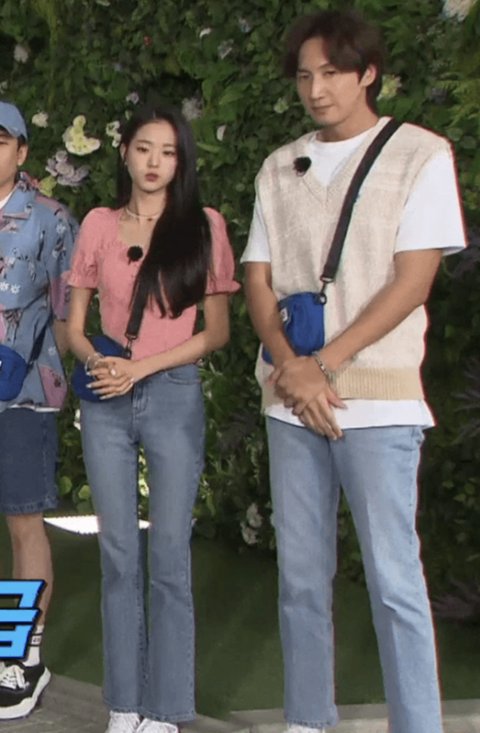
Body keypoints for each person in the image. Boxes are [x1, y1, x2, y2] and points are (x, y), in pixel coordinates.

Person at [242, 9, 466, 733]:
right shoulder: (279, 167)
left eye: (333, 73)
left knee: (395, 583)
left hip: (379, 400)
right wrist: (292, 368)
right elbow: (258, 280)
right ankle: (308, 720)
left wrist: (323, 366)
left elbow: (413, 281)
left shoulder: (420, 154)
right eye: (306, 75)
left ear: (368, 73)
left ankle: (418, 725)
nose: (317, 89)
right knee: (301, 578)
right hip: (290, 400)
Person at [67, 104, 239, 733]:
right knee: (117, 553)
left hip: (172, 393)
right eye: (144, 148)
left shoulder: (204, 226)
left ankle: (165, 709)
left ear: (181, 160)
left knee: (168, 553)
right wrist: (99, 362)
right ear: (125, 153)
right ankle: (123, 704)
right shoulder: (98, 224)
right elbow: (74, 326)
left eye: (168, 152)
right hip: (107, 397)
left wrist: (139, 369)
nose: (154, 162)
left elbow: (215, 332)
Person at [0, 101, 77, 718]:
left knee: (24, 522)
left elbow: (69, 312)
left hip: (23, 396)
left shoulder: (51, 220)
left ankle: (19, 656)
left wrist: (27, 359)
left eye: (1, 142)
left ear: (22, 151)